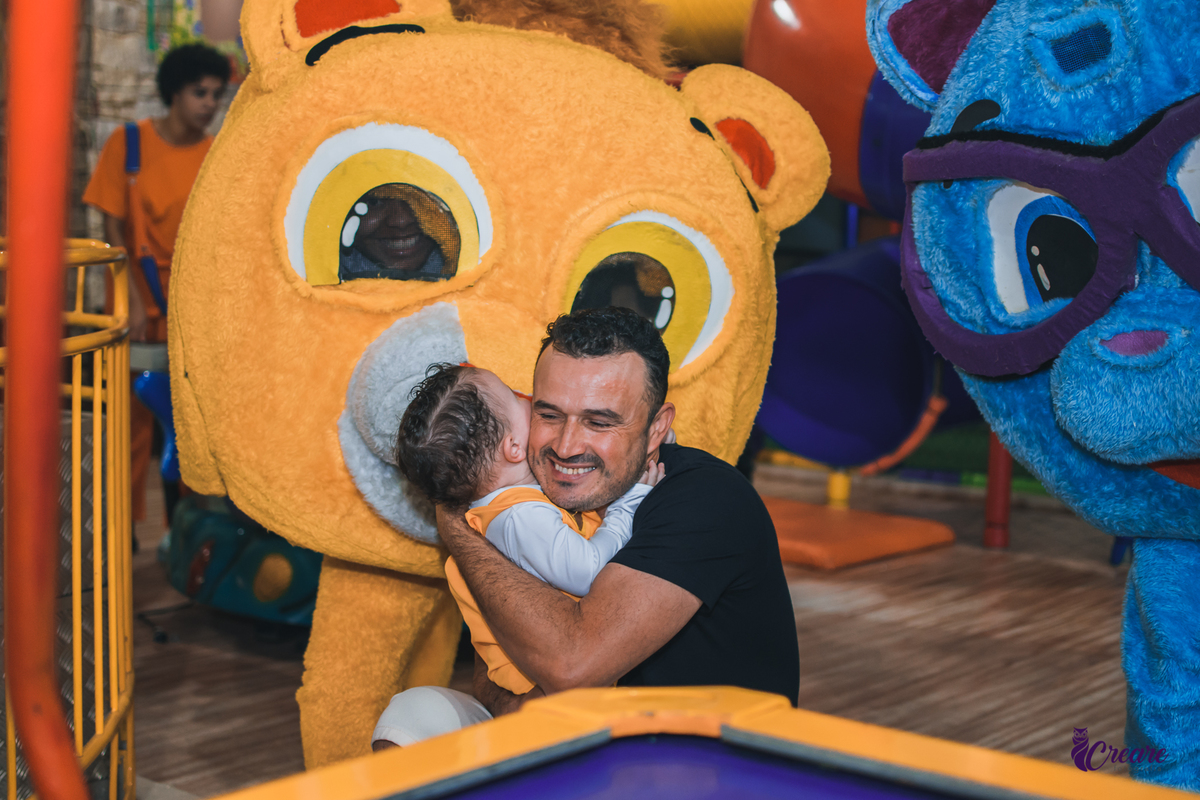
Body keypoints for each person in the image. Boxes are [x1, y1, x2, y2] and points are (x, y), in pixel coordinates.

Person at [373, 306, 799, 745]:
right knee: (413, 714)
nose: (566, 446)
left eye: (599, 422)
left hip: (695, 763)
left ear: (656, 430)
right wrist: (528, 714)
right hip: (580, 736)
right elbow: (491, 671)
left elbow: (571, 668)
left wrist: (459, 529)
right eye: (549, 414)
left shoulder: (704, 498)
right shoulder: (531, 493)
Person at [371, 363, 663, 748]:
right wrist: (630, 502)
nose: (528, 399)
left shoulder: (514, 507)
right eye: (516, 397)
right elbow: (587, 571)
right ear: (512, 446)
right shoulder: (518, 516)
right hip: (546, 694)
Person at [83, 43, 230, 526]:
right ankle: (118, 534)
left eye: (216, 93)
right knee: (129, 427)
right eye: (199, 92)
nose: (209, 102)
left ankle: (188, 532)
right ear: (174, 93)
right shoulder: (128, 145)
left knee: (191, 428)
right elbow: (111, 228)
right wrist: (126, 301)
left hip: (193, 310)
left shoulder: (218, 156)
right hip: (137, 304)